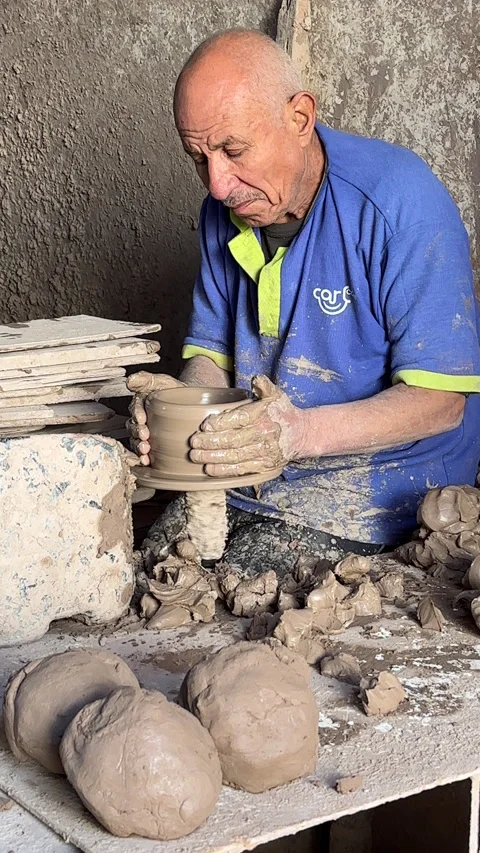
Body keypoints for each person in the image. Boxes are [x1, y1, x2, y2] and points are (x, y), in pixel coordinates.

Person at [128, 28, 480, 574]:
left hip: (384, 479)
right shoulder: (223, 213)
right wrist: (178, 404)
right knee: (165, 560)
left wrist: (300, 434)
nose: (218, 184)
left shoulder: (398, 202)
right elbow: (211, 360)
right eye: (198, 157)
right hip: (262, 466)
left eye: (234, 150)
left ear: (300, 118)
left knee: (247, 580)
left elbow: (441, 399)